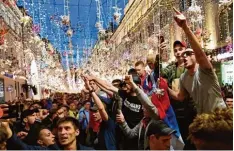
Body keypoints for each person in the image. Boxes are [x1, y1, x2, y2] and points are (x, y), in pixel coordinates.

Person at [168, 8, 226, 114]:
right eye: (184, 55)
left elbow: (200, 53)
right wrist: (166, 89)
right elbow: (180, 96)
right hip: (202, 121)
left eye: (189, 54)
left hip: (220, 118)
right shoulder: (183, 77)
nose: (185, 57)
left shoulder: (205, 70)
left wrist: (185, 27)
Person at [161, 40, 197, 149]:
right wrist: (161, 55)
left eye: (180, 49)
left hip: (191, 110)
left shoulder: (191, 70)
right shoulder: (172, 68)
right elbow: (161, 73)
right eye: (175, 50)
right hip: (176, 110)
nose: (178, 52)